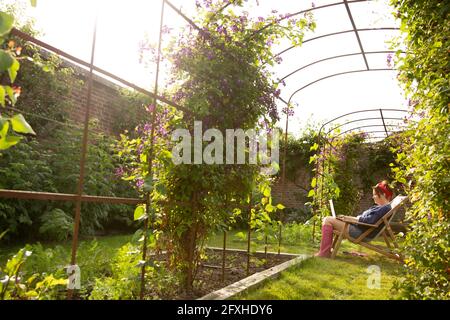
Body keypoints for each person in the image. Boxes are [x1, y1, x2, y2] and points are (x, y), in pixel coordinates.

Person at [315, 180, 394, 258]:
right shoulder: (381, 207)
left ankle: (324, 253)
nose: (373, 197)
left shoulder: (384, 208)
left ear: (383, 194)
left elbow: (369, 221)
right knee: (331, 219)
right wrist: (347, 218)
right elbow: (364, 219)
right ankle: (326, 251)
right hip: (360, 229)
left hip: (360, 233)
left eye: (375, 195)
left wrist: (349, 219)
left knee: (327, 220)